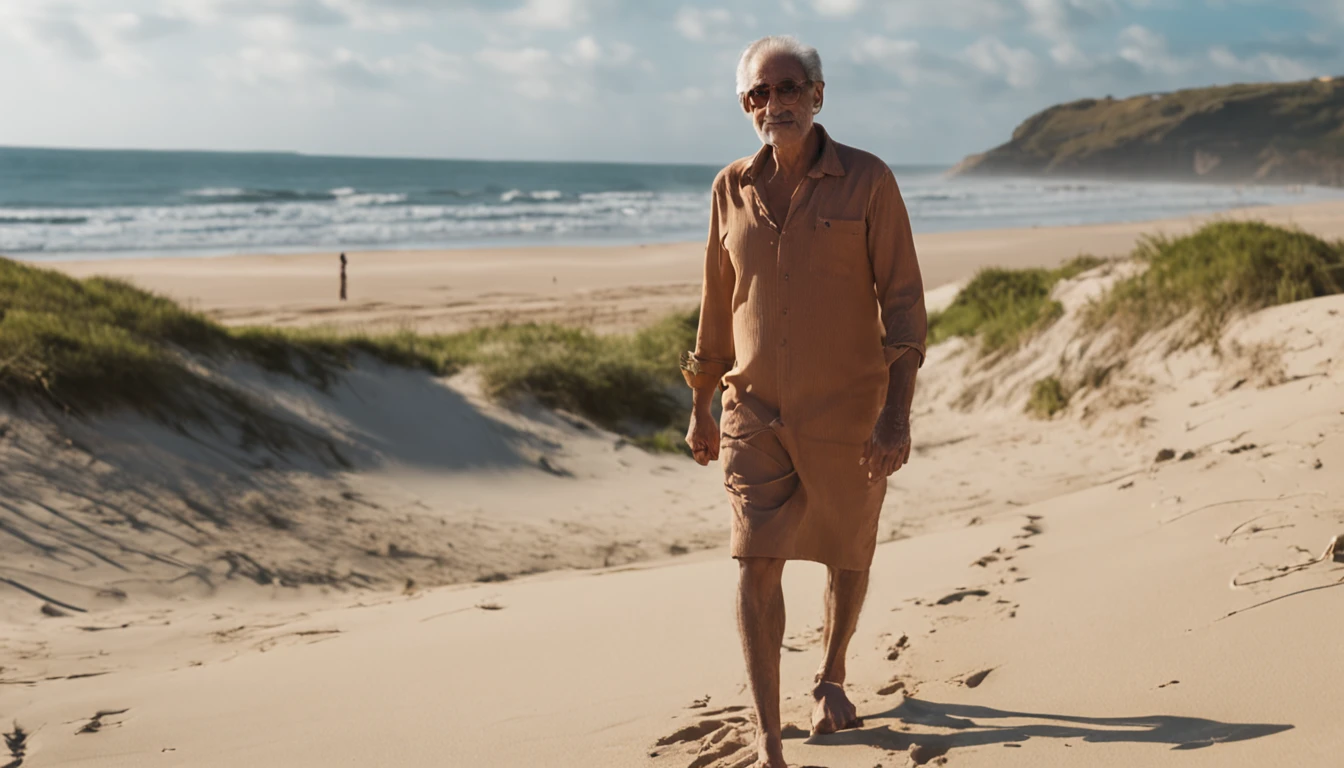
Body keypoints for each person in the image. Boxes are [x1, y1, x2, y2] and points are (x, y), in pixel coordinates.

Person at [681, 35, 927, 768]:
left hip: (850, 411)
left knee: (848, 553)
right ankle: (767, 737)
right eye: (760, 93)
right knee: (756, 560)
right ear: (745, 105)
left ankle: (831, 675)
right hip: (752, 411)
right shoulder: (729, 188)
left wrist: (896, 413)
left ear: (819, 95)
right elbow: (715, 305)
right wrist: (700, 402)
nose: (775, 103)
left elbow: (906, 307)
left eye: (789, 88)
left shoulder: (869, 181)